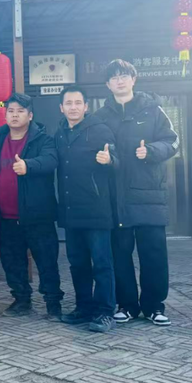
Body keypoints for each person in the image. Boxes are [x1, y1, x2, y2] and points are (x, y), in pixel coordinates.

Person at [94, 59, 179, 327]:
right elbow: (95, 147)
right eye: (114, 77)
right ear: (107, 84)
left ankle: (154, 306)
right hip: (115, 195)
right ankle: (127, 305)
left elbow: (172, 141)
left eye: (124, 76)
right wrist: (104, 159)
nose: (119, 81)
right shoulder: (100, 116)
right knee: (119, 253)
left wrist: (151, 151)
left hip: (148, 194)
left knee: (153, 253)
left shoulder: (153, 110)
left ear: (133, 79)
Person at [0, 93, 62, 319]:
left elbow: (51, 160)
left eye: (20, 111)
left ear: (30, 115)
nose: (15, 115)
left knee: (47, 261)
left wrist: (29, 165)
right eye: (11, 111)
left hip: (37, 215)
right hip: (6, 216)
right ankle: (21, 300)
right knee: (12, 262)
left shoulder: (43, 140)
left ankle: (53, 304)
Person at [55, 86, 118, 333]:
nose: (73, 107)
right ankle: (83, 307)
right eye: (68, 103)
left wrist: (109, 160)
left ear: (86, 106)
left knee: (102, 263)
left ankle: (105, 312)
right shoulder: (60, 133)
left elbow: (118, 161)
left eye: (78, 103)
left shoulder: (100, 129)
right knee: (77, 263)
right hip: (71, 210)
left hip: (96, 209)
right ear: (61, 108)